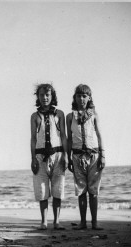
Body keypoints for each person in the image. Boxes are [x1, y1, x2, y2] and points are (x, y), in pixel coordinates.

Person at [66, 84, 105, 230]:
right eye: (78, 96)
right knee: (81, 191)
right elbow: (69, 138)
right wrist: (68, 157)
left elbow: (99, 135)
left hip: (94, 155)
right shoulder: (70, 117)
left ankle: (94, 222)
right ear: (74, 98)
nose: (81, 99)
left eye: (84, 96)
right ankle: (83, 222)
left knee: (93, 191)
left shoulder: (94, 115)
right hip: (76, 156)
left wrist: (103, 155)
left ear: (89, 98)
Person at [30, 83, 68, 230]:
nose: (44, 98)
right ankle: (44, 221)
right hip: (40, 157)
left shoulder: (59, 114)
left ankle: (56, 221)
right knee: (42, 190)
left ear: (52, 96)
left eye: (47, 95)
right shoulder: (34, 116)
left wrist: (66, 155)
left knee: (58, 189)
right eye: (41, 95)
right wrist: (33, 158)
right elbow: (33, 138)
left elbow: (63, 135)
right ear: (38, 97)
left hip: (57, 155)